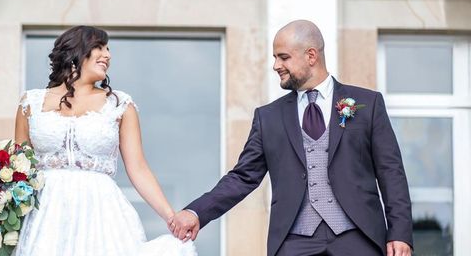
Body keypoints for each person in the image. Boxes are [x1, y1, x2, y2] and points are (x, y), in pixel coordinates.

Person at [170, 20, 413, 256]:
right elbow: (243, 177)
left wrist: (400, 232)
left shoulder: (367, 104)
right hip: (294, 242)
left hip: (358, 237)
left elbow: (391, 171)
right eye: (275, 58)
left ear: (311, 56)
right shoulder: (268, 117)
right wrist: (197, 212)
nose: (276, 65)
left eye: (283, 57)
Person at [14, 25, 196, 256]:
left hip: (101, 214)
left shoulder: (119, 104)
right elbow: (18, 167)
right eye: (99, 47)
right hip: (47, 214)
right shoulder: (30, 103)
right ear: (75, 52)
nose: (107, 55)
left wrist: (171, 216)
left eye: (108, 49)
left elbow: (138, 168)